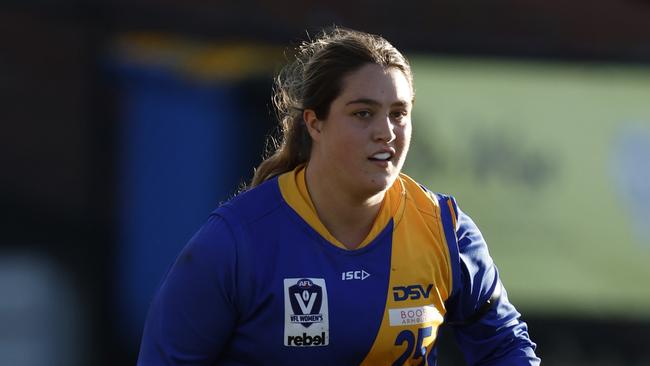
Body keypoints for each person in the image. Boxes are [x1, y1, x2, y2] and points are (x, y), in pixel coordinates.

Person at [137, 27, 540, 365]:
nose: (386, 131)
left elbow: (506, 347)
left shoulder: (445, 230)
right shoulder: (236, 242)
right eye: (363, 113)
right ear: (314, 123)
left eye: (399, 113)